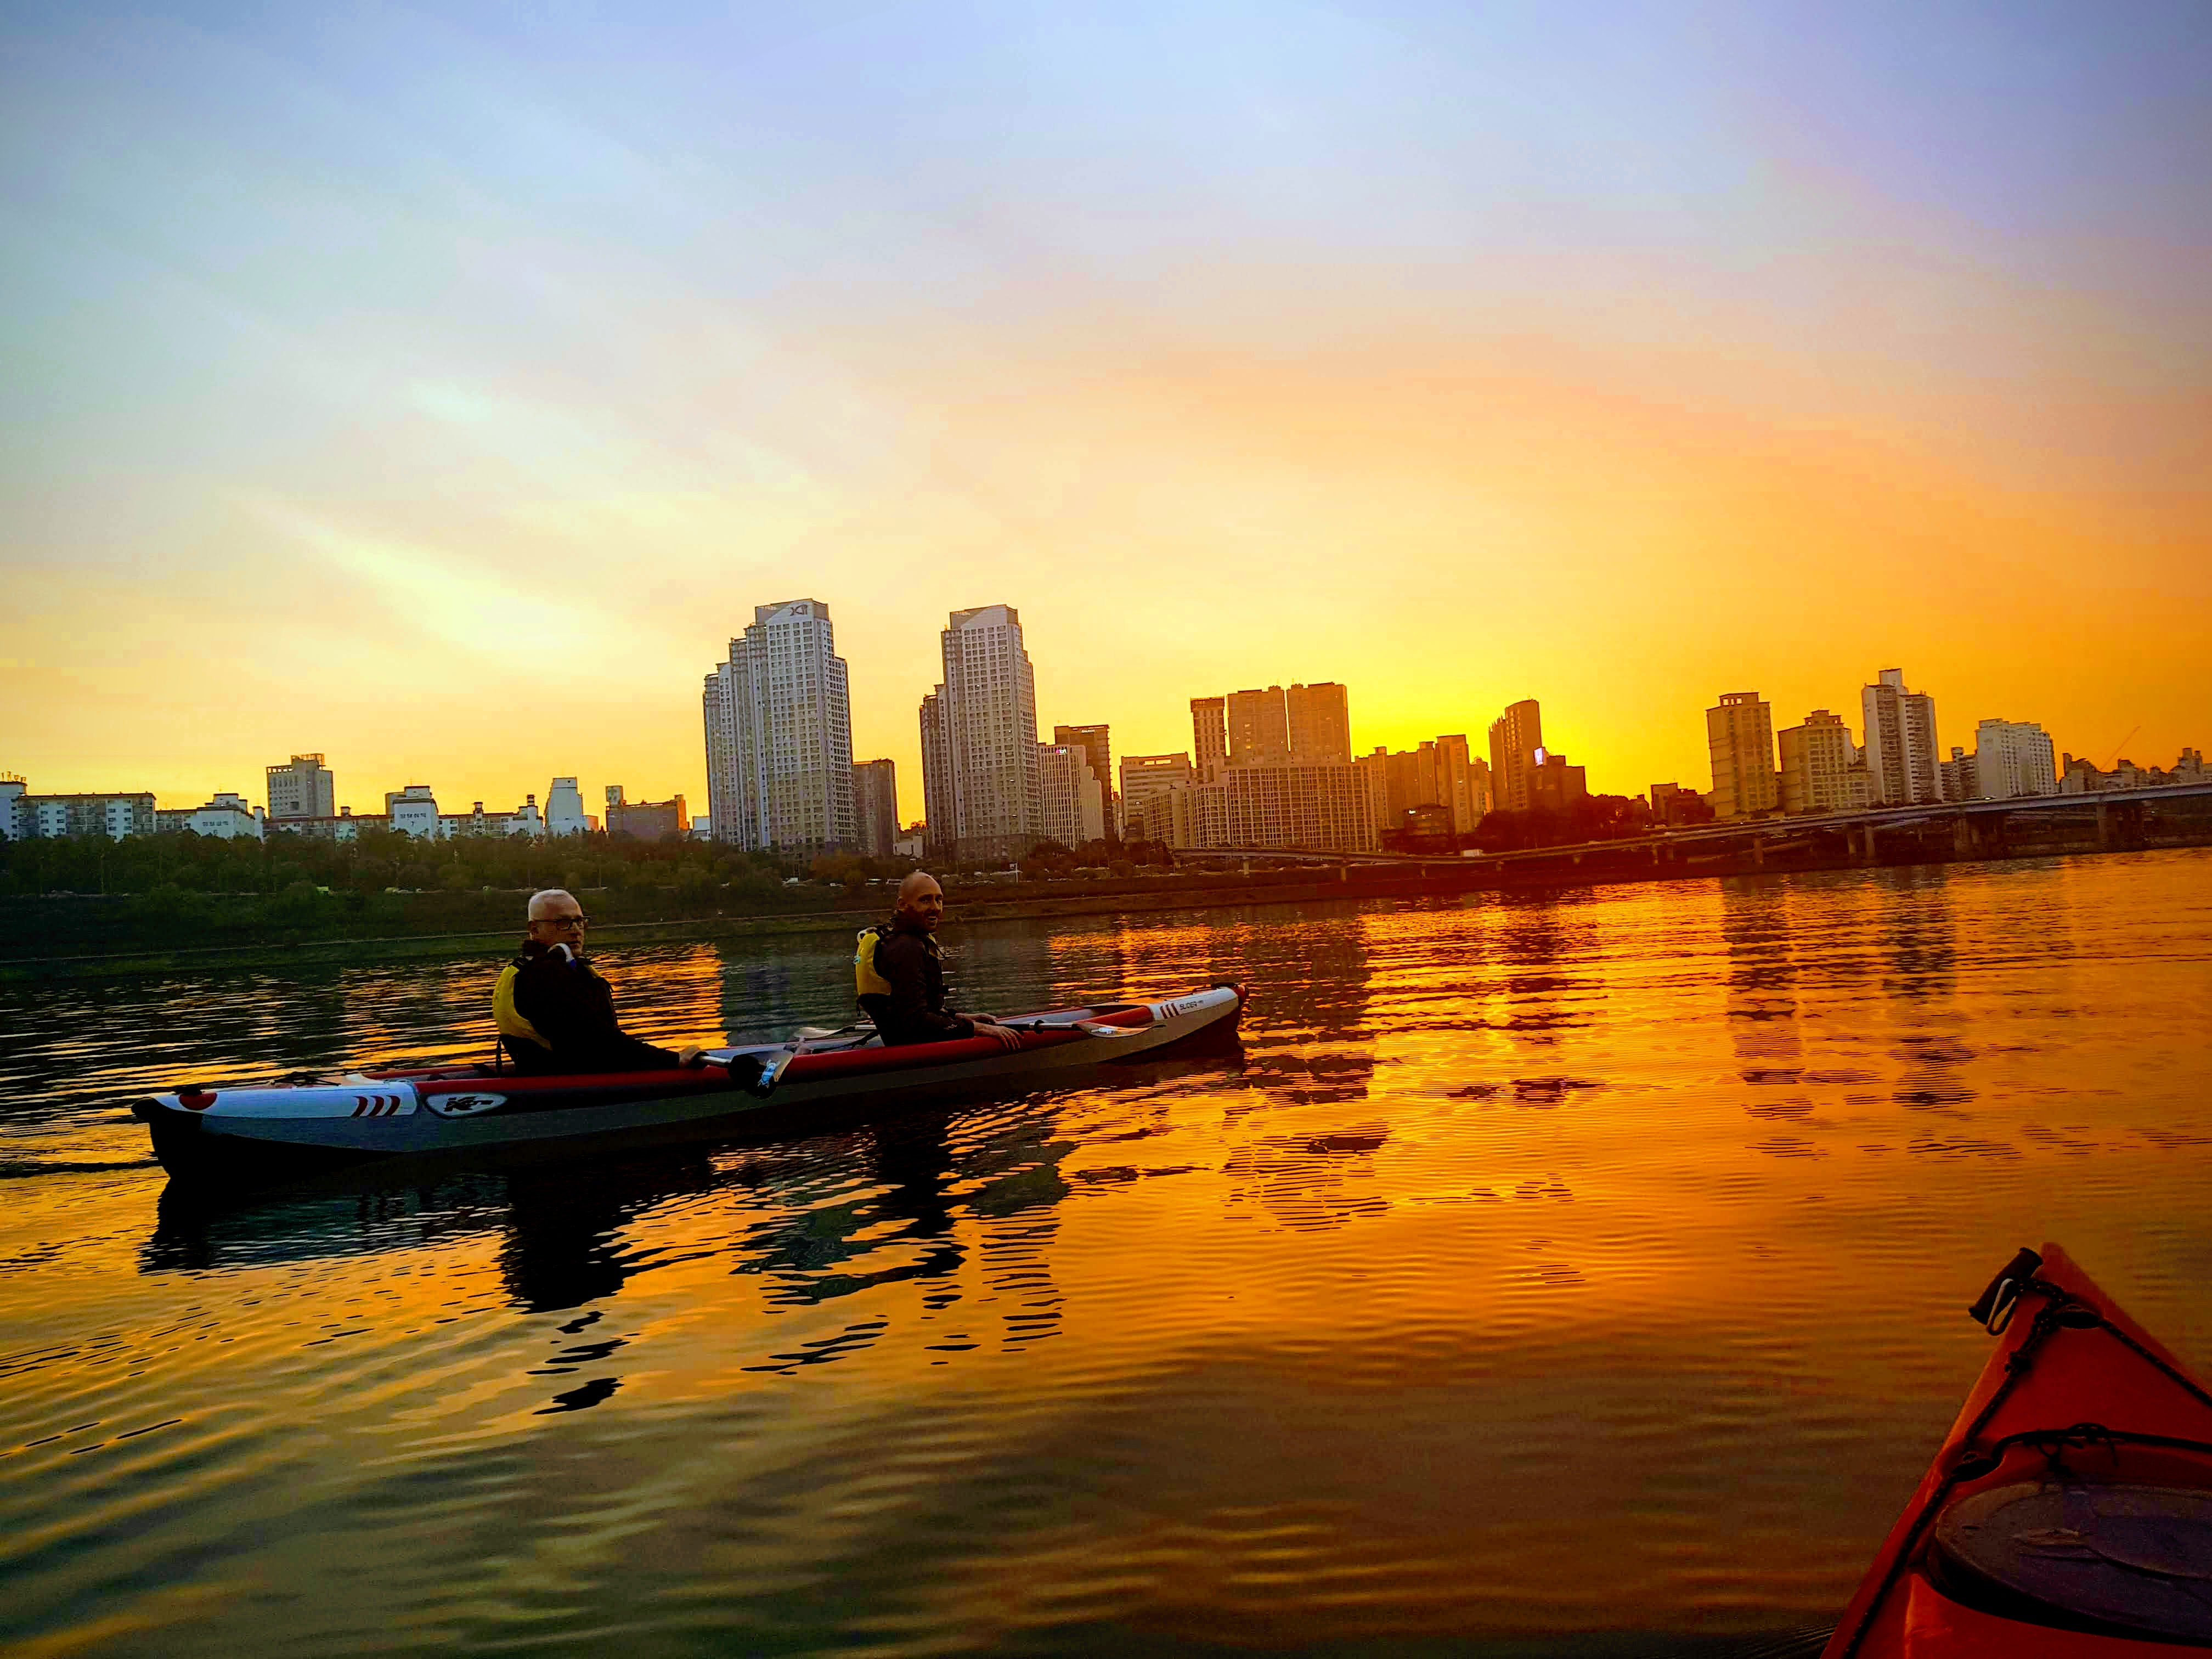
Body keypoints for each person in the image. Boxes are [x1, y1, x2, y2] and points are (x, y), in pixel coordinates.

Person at [494, 889, 707, 1074]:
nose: (576, 930)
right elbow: (599, 1043)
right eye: (563, 923)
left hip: (556, 1075)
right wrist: (674, 1060)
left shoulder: (539, 970)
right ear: (534, 929)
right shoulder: (544, 977)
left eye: (579, 921)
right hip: (570, 1086)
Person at [854, 872, 1023, 1049]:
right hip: (912, 1049)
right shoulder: (906, 948)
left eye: (939, 900)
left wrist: (960, 1017)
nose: (935, 907)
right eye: (925, 900)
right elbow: (916, 1020)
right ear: (903, 905)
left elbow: (912, 1008)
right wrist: (977, 1028)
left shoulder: (903, 940)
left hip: (909, 1040)